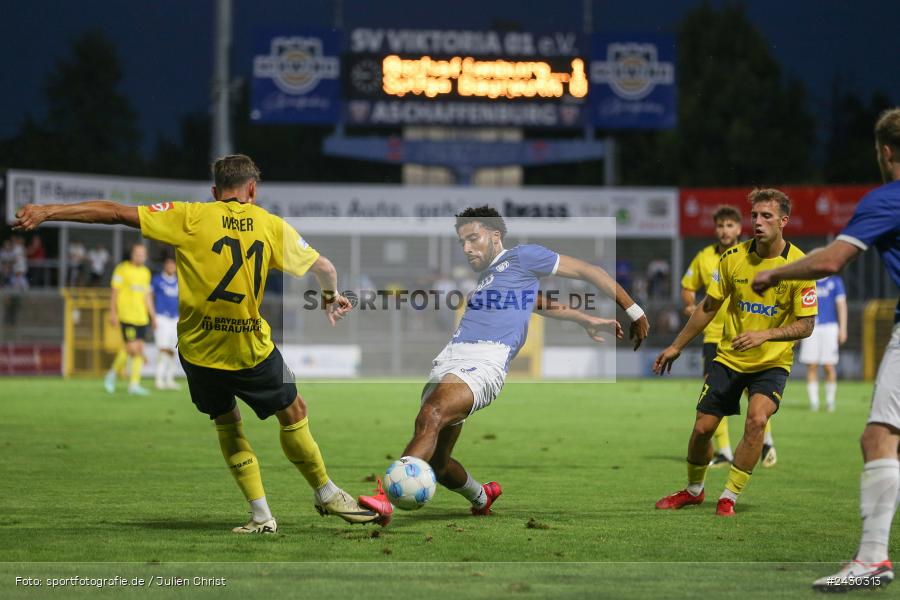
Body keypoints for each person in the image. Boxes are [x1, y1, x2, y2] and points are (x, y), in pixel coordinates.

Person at [12, 153, 380, 533]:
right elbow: (324, 268)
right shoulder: (270, 226)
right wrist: (329, 296)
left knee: (228, 424)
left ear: (214, 191)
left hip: (200, 352)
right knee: (294, 413)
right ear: (252, 189)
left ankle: (261, 515)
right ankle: (327, 492)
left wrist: (48, 210)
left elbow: (114, 213)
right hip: (250, 349)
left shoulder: (188, 216)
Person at [359, 206, 649, 522]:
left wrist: (633, 311)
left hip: (484, 362)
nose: (467, 248)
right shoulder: (489, 277)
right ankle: (482, 496)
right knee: (439, 464)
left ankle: (383, 497)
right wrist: (584, 319)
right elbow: (535, 303)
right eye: (462, 242)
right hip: (450, 359)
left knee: (432, 414)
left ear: (495, 236)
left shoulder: (523, 256)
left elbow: (589, 271)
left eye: (473, 238)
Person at [752, 108, 900, 592]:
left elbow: (834, 259)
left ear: (884, 152)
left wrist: (775, 273)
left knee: (879, 439)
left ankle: (873, 562)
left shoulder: (887, 198)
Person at [653, 188, 817, 517]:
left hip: (772, 363)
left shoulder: (800, 266)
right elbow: (708, 306)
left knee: (757, 420)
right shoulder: (733, 259)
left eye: (766, 216)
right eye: (754, 215)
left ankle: (729, 495)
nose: (757, 222)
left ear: (783, 221)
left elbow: (806, 325)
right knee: (702, 429)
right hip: (728, 358)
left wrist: (766, 335)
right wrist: (676, 346)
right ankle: (694, 490)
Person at [681, 205, 742, 468]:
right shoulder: (704, 257)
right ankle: (725, 451)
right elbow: (687, 285)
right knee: (713, 391)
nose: (724, 230)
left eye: (729, 225)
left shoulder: (748, 255)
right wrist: (689, 304)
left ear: (739, 228)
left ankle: (765, 442)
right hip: (713, 335)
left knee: (752, 390)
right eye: (720, 225)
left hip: (742, 332)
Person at [104, 243, 156, 396]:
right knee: (132, 348)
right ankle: (112, 374)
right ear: (132, 254)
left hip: (141, 317)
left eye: (143, 254)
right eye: (138, 253)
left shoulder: (146, 273)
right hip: (127, 315)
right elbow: (114, 292)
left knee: (138, 349)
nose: (140, 256)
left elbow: (147, 296)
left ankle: (134, 385)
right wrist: (112, 312)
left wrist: (153, 316)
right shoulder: (122, 269)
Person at [799, 275, 847, 412]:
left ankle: (830, 401)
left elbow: (841, 305)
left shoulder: (835, 281)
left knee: (828, 365)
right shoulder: (807, 281)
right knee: (812, 365)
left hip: (830, 328)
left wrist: (843, 328)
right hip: (811, 327)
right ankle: (814, 402)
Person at [151, 255, 180, 390]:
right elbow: (149, 297)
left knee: (173, 350)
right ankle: (159, 379)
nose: (171, 267)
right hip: (161, 317)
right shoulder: (157, 280)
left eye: (173, 264)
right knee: (162, 349)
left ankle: (170, 379)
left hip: (175, 319)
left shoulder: (179, 282)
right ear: (165, 266)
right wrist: (153, 317)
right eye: (168, 264)